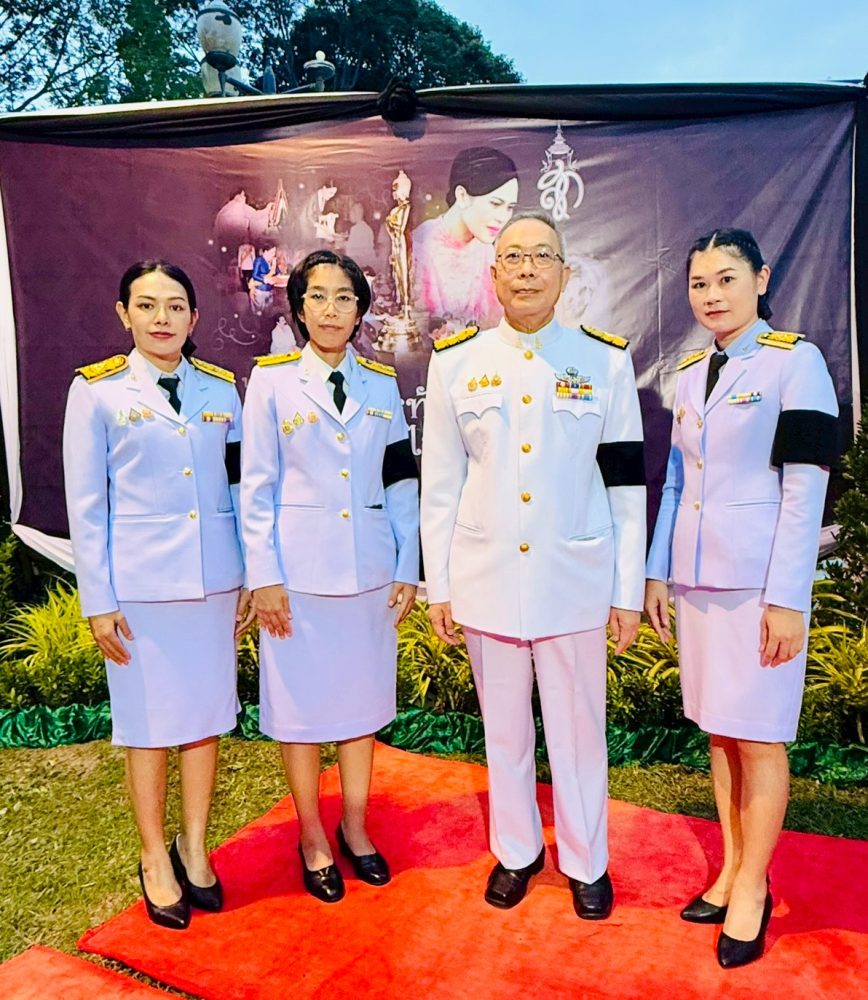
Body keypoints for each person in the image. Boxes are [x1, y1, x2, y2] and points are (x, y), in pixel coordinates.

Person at [420, 210, 646, 919]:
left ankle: (586, 861)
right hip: (487, 577)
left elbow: (626, 484)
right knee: (505, 731)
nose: (526, 270)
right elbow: (440, 484)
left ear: (565, 273)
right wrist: (439, 585)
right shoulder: (456, 361)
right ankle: (516, 852)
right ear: (493, 274)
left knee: (579, 730)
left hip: (574, 577)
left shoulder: (604, 361)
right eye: (513, 257)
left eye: (542, 256)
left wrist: (627, 591)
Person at [645, 229, 838, 968]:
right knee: (721, 734)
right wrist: (658, 572)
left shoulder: (796, 361)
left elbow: (806, 489)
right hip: (699, 585)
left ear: (761, 279)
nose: (712, 295)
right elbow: (678, 482)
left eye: (727, 278)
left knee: (758, 738)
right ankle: (729, 871)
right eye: (699, 283)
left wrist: (788, 597)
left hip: (760, 589)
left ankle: (754, 887)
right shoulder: (692, 370)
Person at [63, 260, 253, 930]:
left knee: (204, 720)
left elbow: (239, 488)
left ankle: (193, 846)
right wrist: (98, 600)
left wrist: (249, 574)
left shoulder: (221, 391)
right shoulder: (96, 392)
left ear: (194, 318)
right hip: (140, 592)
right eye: (147, 305)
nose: (162, 318)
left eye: (175, 306)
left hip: (212, 583)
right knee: (146, 727)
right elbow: (86, 506)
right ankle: (153, 856)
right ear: (124, 314)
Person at [241, 249, 420, 904]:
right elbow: (255, 488)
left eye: (344, 297)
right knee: (300, 712)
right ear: (298, 307)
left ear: (361, 310)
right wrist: (263, 576)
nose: (330, 310)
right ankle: (313, 834)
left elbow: (400, 480)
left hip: (368, 572)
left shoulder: (380, 384)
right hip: (296, 579)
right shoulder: (271, 383)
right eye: (317, 296)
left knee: (360, 708)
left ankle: (355, 826)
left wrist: (407, 563)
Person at [412, 146, 518, 330]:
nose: (503, 217)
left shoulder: (486, 251)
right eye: (495, 204)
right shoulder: (420, 244)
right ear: (462, 196)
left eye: (510, 207)